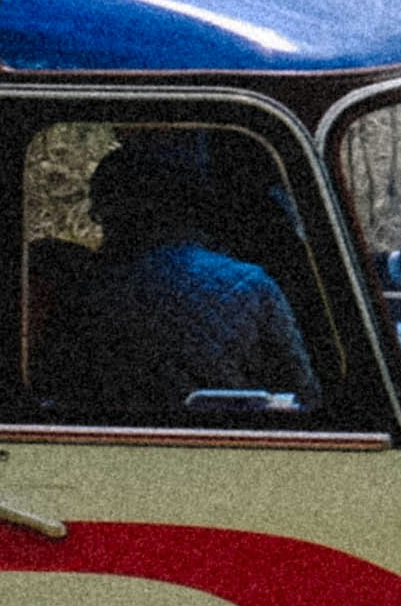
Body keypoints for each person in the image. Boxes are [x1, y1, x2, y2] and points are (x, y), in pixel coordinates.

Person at [41, 133, 319, 420]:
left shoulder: (79, 290)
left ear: (109, 214)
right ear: (191, 208)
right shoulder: (251, 284)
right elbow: (303, 393)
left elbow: (53, 384)